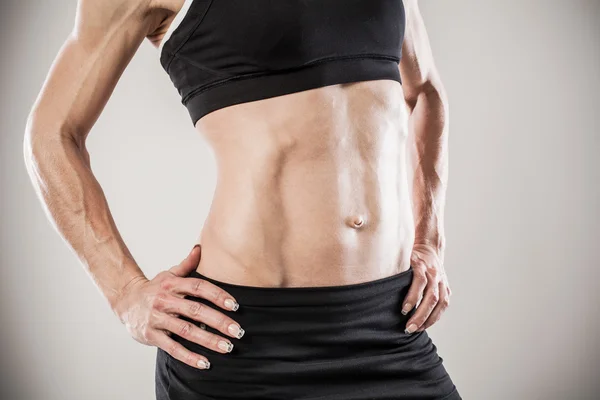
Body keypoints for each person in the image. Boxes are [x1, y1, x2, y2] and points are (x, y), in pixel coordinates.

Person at [23, 0, 460, 398]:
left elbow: (423, 92)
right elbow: (51, 135)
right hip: (244, 340)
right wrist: (125, 293)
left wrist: (430, 240)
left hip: (389, 325)